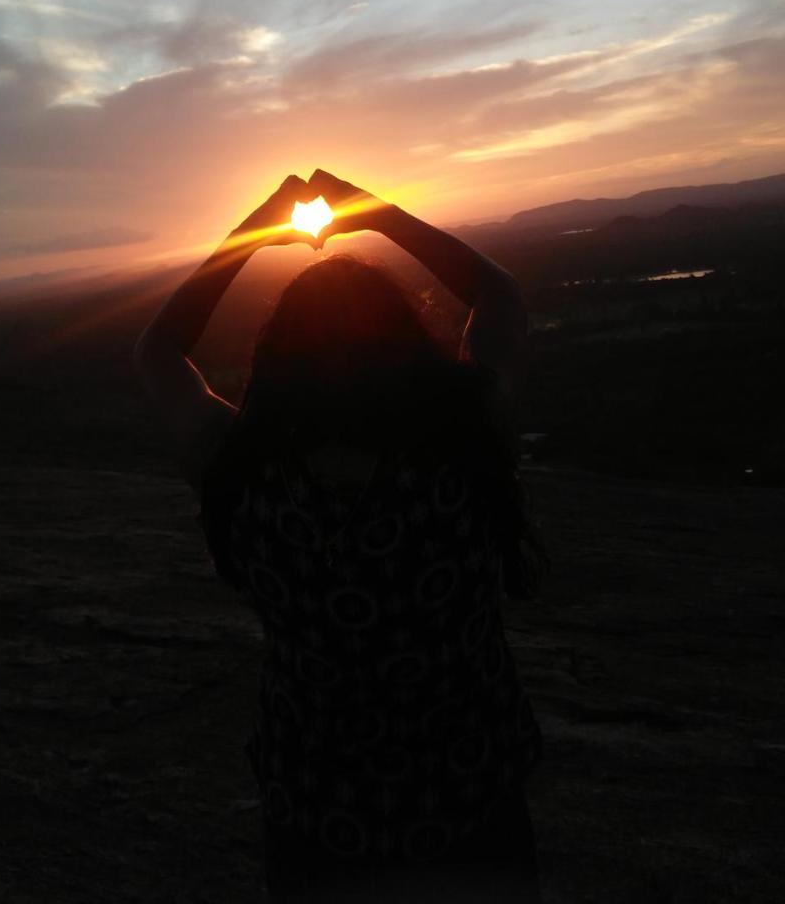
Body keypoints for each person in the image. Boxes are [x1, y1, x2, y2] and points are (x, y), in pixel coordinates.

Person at [135, 170, 545, 902]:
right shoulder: (459, 452)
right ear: (405, 349)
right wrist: (376, 214)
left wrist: (260, 224)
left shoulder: (247, 479)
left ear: (277, 363)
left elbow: (161, 350)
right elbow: (501, 298)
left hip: (319, 813)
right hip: (469, 795)